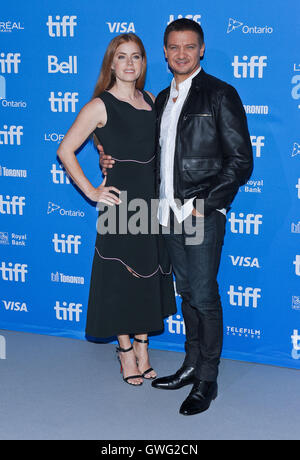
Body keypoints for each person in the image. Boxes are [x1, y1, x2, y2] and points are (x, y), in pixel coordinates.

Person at [100, 19, 253, 413]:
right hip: (164, 215)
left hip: (200, 214)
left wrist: (205, 203)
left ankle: (207, 379)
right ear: (165, 53)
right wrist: (105, 156)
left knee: (203, 296)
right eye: (173, 47)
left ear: (201, 50)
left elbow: (241, 162)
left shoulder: (220, 94)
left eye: (189, 47)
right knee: (186, 295)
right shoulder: (160, 98)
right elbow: (130, 138)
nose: (181, 53)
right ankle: (190, 364)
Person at [57, 33, 176, 387]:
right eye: (121, 57)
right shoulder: (99, 105)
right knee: (122, 278)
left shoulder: (153, 100)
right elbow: (65, 150)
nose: (129, 63)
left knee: (147, 275)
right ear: (111, 63)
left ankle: (143, 346)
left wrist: (100, 147)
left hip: (151, 204)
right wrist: (93, 191)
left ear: (143, 63)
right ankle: (125, 352)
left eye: (136, 57)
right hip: (121, 204)